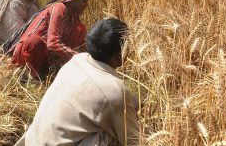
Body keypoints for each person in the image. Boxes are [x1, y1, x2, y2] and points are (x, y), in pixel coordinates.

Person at [14, 18, 139, 146]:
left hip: (32, 141)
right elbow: (135, 140)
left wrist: (130, 101)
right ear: (118, 54)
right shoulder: (114, 91)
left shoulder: (77, 60)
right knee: (111, 137)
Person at [3, 0, 92, 77]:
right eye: (84, 0)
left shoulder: (73, 16)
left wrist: (90, 58)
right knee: (35, 41)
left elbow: (82, 44)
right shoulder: (59, 8)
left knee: (80, 29)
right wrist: (79, 58)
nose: (86, 5)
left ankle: (52, 68)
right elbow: (53, 44)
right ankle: (31, 75)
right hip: (29, 54)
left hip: (45, 54)